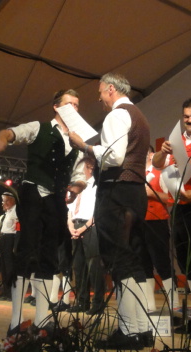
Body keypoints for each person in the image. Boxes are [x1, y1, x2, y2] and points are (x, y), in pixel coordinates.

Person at [0, 89, 85, 336]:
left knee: (50, 257)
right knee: (26, 253)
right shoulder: (39, 128)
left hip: (56, 201)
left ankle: (42, 320)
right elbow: (13, 133)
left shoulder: (77, 140)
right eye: (69, 103)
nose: (74, 108)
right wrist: (4, 137)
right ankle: (16, 320)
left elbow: (79, 175)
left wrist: (76, 187)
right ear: (56, 106)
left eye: (77, 105)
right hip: (33, 194)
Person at [69, 73, 152, 349]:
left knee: (118, 259)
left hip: (117, 191)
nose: (99, 98)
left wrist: (84, 146)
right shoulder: (139, 115)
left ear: (111, 90)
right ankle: (141, 330)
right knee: (132, 259)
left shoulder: (117, 114)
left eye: (100, 92)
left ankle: (128, 332)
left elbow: (114, 157)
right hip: (135, 191)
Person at [153, 97, 191, 328]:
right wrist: (162, 151)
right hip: (179, 207)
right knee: (186, 261)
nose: (189, 120)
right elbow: (157, 164)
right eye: (186, 116)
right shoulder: (176, 141)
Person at [141, 146, 178, 312]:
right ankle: (149, 305)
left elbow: (171, 198)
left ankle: (174, 303)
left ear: (151, 154)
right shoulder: (136, 175)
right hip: (139, 222)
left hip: (157, 221)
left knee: (162, 262)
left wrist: (151, 193)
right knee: (144, 264)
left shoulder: (160, 172)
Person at [67, 156, 105, 315]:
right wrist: (71, 226)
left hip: (90, 226)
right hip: (75, 225)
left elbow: (98, 211)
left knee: (93, 266)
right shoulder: (76, 186)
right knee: (78, 266)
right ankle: (82, 301)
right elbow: (69, 209)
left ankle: (98, 303)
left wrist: (84, 227)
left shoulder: (97, 186)